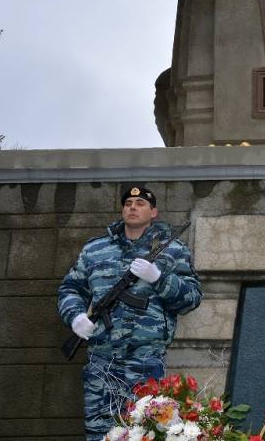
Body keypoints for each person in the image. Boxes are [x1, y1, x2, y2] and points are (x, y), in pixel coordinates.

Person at [58, 186, 202, 440]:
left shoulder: (173, 250)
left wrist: (159, 278)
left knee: (143, 431)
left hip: (145, 359)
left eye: (140, 203)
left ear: (153, 212)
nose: (133, 207)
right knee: (98, 431)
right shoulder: (95, 249)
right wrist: (76, 316)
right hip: (101, 358)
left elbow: (191, 299)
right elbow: (71, 288)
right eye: (128, 203)